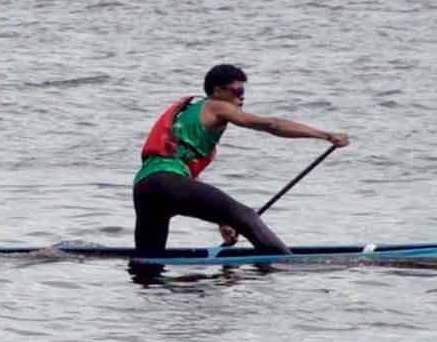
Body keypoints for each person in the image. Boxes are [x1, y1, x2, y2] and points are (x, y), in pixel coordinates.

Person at [133, 64, 349, 256]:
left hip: (145, 188)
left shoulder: (190, 114)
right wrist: (325, 135)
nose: (242, 99)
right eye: (237, 92)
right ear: (217, 91)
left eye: (243, 92)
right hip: (167, 182)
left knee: (149, 261)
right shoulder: (215, 105)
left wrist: (222, 220)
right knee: (246, 217)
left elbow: (184, 176)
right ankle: (286, 265)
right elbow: (272, 125)